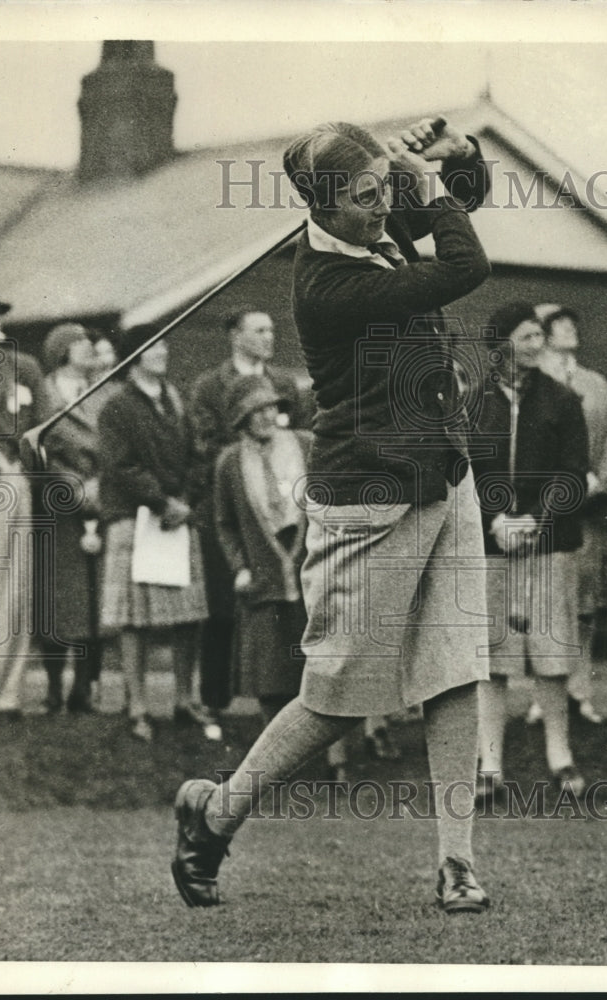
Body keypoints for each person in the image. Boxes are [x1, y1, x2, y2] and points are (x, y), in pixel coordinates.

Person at [172, 115, 493, 914]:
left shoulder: (371, 224)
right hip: (370, 498)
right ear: (321, 208)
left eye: (383, 190)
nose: (381, 209)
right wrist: (415, 178)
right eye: (362, 198)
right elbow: (464, 262)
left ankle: (457, 862)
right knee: (339, 696)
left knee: (456, 671)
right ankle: (215, 814)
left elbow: (464, 201)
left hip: (445, 476)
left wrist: (452, 160)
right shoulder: (329, 284)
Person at [471, 302, 590, 802]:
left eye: (539, 335)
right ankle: (489, 763)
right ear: (501, 346)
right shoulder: (473, 404)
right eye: (526, 336)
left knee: (551, 652)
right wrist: (495, 521)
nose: (537, 344)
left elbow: (573, 475)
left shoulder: (562, 400)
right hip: (492, 547)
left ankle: (560, 757)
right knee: (494, 656)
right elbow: (464, 475)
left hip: (549, 546)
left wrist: (534, 524)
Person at [189, 310, 305, 734]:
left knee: (291, 615)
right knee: (226, 608)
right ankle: (215, 701)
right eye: (260, 330)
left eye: (273, 329)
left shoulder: (285, 384)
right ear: (236, 336)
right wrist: (247, 466)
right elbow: (202, 446)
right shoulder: (208, 386)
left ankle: (295, 710)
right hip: (238, 507)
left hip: (288, 515)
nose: (269, 337)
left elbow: (301, 439)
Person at [97, 326, 209, 742]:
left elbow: (199, 455)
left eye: (162, 344)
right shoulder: (117, 408)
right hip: (135, 518)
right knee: (135, 620)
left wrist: (185, 500)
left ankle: (184, 700)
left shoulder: (176, 401)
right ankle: (138, 707)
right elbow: (120, 466)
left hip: (176, 517)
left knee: (188, 615)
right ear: (133, 357)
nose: (161, 351)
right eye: (151, 346)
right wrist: (164, 502)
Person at [525, 304, 607, 725]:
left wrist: (597, 482)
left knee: (583, 608)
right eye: (558, 324)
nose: (569, 328)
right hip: (542, 514)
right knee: (542, 607)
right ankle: (542, 697)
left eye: (572, 322)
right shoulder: (530, 384)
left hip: (587, 513)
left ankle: (579, 693)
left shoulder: (595, 384)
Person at [0, 276, 50, 716]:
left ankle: (8, 695)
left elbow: (45, 426)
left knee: (10, 588)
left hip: (6, 479)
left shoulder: (23, 366)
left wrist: (16, 461)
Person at [214, 375, 310, 726]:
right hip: (263, 580)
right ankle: (278, 763)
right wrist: (240, 567)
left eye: (272, 407)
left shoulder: (304, 445)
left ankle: (333, 765)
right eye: (258, 410)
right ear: (242, 418)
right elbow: (225, 524)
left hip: (309, 576)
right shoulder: (230, 463)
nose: (268, 416)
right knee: (272, 679)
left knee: (317, 674)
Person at [39, 322, 112, 713]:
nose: (89, 348)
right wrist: (70, 484)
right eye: (80, 343)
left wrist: (100, 483)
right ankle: (53, 688)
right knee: (58, 599)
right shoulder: (45, 393)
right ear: (62, 351)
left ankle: (83, 689)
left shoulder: (103, 393)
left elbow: (114, 444)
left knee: (93, 599)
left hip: (99, 504)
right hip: (57, 508)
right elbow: (36, 448)